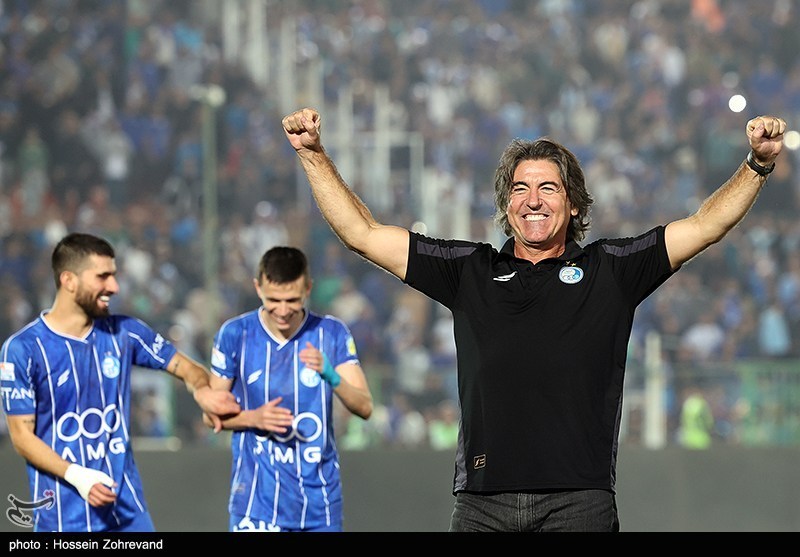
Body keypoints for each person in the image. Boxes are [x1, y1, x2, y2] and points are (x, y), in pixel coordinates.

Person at [282, 107, 786, 532]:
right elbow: (363, 234)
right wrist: (312, 153)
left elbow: (705, 225)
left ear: (574, 204)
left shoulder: (611, 270)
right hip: (482, 504)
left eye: (548, 187)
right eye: (520, 188)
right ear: (507, 205)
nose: (533, 200)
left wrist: (757, 164)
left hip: (579, 504)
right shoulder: (469, 270)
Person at [0, 232, 241, 532]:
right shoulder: (22, 349)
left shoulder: (125, 332)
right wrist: (77, 476)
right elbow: (22, 437)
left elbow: (187, 368)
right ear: (69, 280)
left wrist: (202, 389)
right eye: (102, 277)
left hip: (128, 515)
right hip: (62, 519)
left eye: (113, 276)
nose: (114, 287)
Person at [207, 246, 373, 532]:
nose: (283, 311)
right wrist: (253, 418)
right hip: (255, 505)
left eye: (292, 300)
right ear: (258, 288)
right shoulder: (235, 334)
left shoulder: (331, 333)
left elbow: (365, 407)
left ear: (308, 289)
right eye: (274, 300)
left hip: (319, 505)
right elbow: (210, 415)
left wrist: (331, 375)